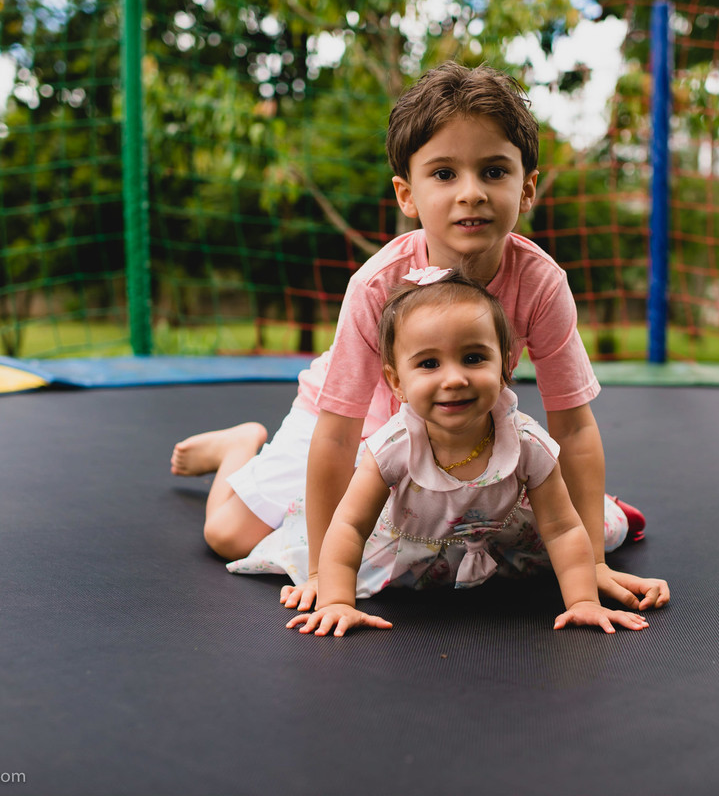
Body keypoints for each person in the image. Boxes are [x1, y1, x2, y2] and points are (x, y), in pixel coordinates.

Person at [171, 62, 669, 613]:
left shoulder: (541, 282)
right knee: (228, 535)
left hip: (456, 418)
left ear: (527, 187)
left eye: (494, 172)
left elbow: (573, 428)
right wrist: (318, 570)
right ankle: (239, 448)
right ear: (407, 194)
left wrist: (593, 562)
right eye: (444, 174)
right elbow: (336, 437)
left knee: (580, 528)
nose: (471, 194)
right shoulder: (377, 284)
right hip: (356, 416)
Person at [245, 272, 654, 635]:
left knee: (596, 528)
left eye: (474, 358)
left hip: (499, 534)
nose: (455, 379)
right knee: (283, 544)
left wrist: (582, 601)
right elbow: (349, 528)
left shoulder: (527, 443)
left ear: (504, 367)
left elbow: (564, 530)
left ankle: (608, 506)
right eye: (428, 363)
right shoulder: (392, 448)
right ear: (396, 382)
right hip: (408, 543)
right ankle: (238, 447)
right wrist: (337, 602)